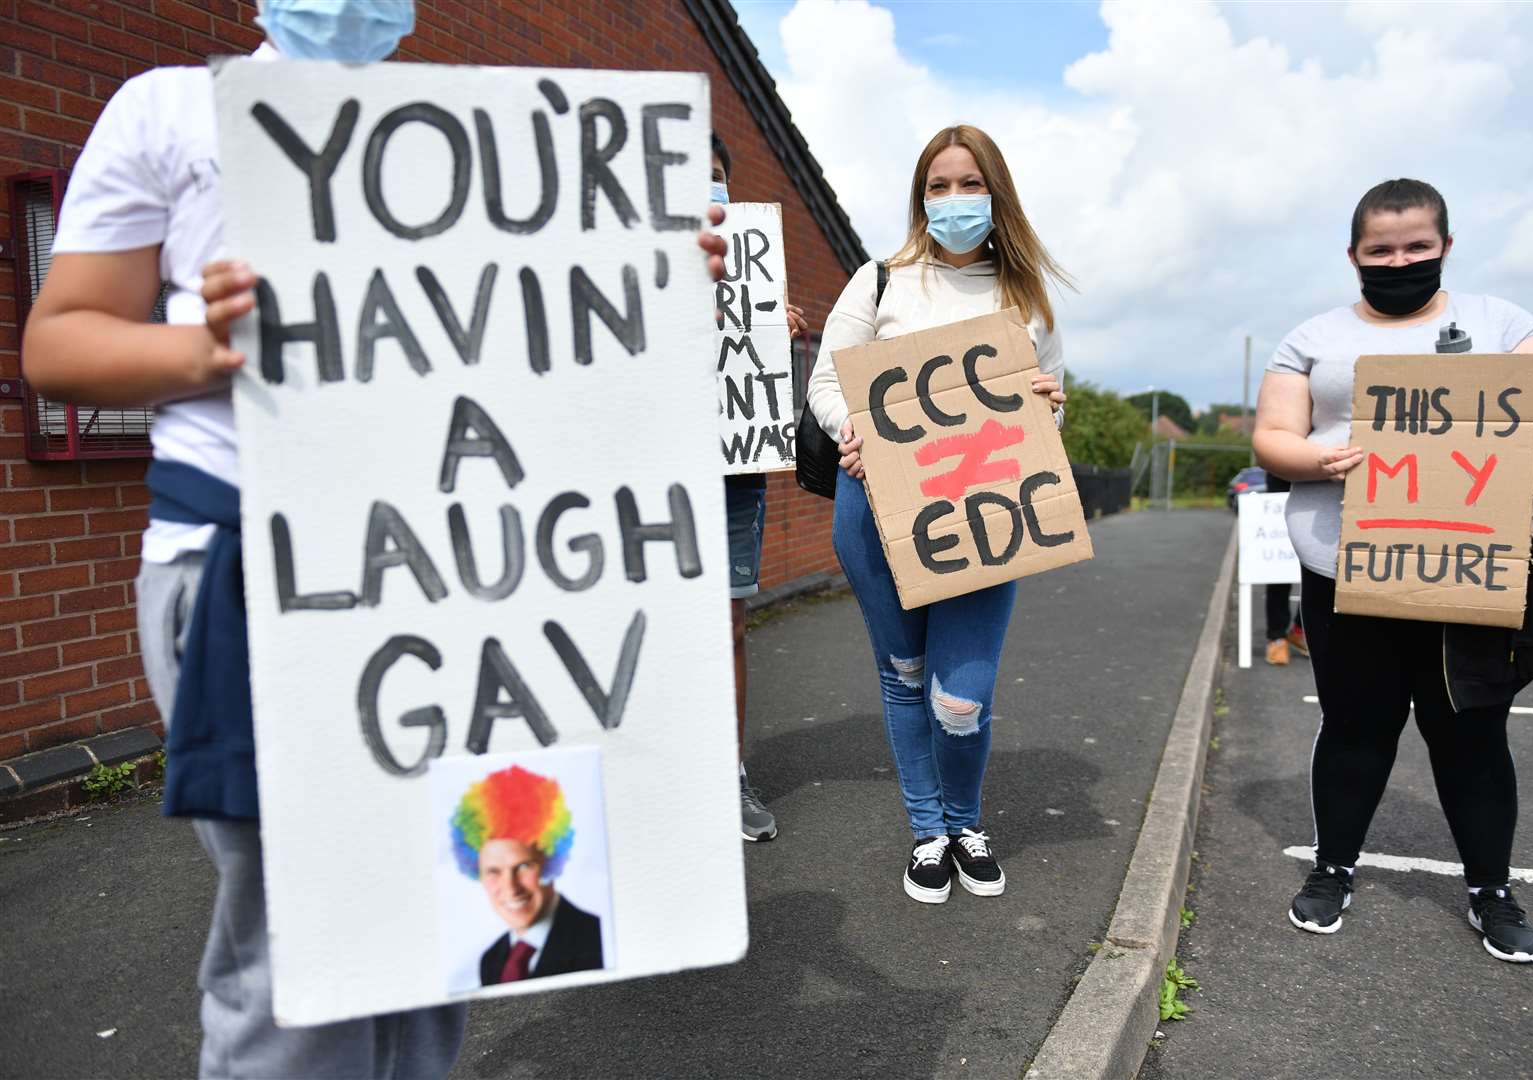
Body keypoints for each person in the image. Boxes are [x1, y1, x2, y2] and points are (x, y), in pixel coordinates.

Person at [20, 2, 733, 1073]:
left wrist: (648, 281)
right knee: (302, 945)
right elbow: (60, 343)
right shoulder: (169, 109)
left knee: (447, 921)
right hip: (254, 573)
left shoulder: (475, 137)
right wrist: (203, 349)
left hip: (449, 581)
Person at [1253, 178, 1533, 963]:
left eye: (1415, 247)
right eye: (1381, 250)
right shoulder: (1312, 336)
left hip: (1468, 567)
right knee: (1355, 727)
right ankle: (1332, 867)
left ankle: (1491, 890)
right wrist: (1323, 458)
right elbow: (1273, 436)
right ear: (1354, 255)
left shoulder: (1501, 324)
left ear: (1444, 246)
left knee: (1472, 733)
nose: (1398, 261)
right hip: (1346, 567)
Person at [806, 125, 1071, 904]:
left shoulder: (1027, 302)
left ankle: (966, 820)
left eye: (969, 184)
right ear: (921, 197)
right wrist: (851, 431)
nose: (954, 200)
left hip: (987, 514)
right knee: (905, 674)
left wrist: (1051, 409)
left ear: (997, 194)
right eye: (939, 185)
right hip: (878, 509)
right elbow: (828, 382)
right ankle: (928, 831)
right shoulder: (880, 280)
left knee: (961, 697)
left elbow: (1045, 415)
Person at [710, 134, 808, 842]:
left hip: (732, 475)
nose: (706, 192)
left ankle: (727, 775)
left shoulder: (751, 271)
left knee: (728, 626)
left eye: (716, 178)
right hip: (651, 475)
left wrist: (779, 336)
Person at [448, 766, 604, 984]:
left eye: (523, 867)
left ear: (550, 860)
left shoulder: (599, 942)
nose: (511, 887)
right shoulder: (491, 959)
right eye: (493, 871)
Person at [1262, 471, 1307, 666]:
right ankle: (1277, 637)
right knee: (1279, 566)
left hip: (1324, 480)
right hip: (1284, 473)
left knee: (1321, 571)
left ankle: (1299, 631)